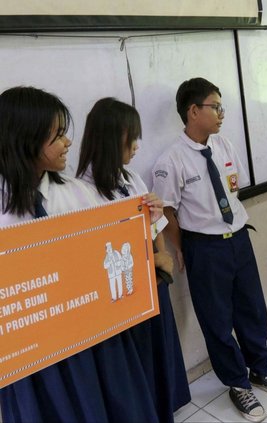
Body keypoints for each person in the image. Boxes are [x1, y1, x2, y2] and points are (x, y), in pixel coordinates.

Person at [0, 86, 170, 423]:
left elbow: (110, 258)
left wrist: (146, 229)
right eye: (58, 135)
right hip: (34, 360)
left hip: (94, 341)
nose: (67, 142)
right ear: (25, 138)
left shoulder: (79, 195)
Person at [151, 77, 267, 422]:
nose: (221, 114)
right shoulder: (170, 160)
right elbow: (167, 211)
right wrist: (182, 247)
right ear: (193, 111)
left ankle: (262, 368)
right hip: (204, 247)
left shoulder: (225, 146)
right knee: (216, 320)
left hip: (238, 240)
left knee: (252, 309)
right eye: (215, 107)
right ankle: (237, 383)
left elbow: (232, 192)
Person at [76, 97, 191, 416]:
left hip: (154, 283)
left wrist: (163, 256)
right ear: (111, 137)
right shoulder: (82, 191)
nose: (137, 146)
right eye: (131, 137)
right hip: (122, 294)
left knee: (160, 353)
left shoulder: (130, 178)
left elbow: (153, 227)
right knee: (135, 368)